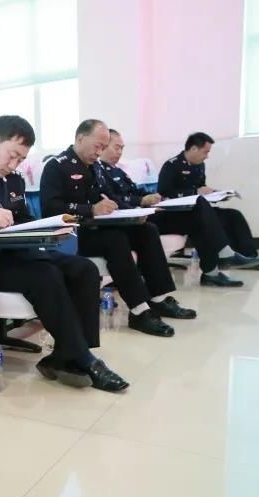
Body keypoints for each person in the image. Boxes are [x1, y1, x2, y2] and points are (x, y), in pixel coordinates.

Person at [0, 115, 129, 393]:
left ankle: (69, 355)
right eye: (12, 155)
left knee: (84, 269)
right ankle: (83, 359)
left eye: (20, 159)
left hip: (19, 252)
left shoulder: (14, 180)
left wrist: (47, 227)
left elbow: (23, 219)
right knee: (45, 275)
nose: (14, 165)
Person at [41, 119, 197, 337]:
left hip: (100, 227)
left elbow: (112, 196)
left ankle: (159, 298)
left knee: (147, 230)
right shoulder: (56, 166)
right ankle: (139, 310)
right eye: (97, 146)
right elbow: (50, 207)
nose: (99, 152)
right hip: (74, 235)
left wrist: (134, 213)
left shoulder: (96, 167)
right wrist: (90, 209)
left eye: (103, 147)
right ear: (80, 138)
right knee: (115, 240)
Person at [99, 129, 259, 287]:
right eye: (116, 147)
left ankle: (212, 272)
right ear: (104, 145)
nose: (120, 152)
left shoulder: (117, 171)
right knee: (198, 209)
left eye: (122, 148)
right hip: (134, 218)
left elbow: (135, 191)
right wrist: (142, 200)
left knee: (199, 216)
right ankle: (223, 257)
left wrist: (152, 196)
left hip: (147, 211)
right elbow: (114, 199)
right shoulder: (99, 172)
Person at [157, 132, 259, 270]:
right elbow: (164, 193)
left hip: (199, 207)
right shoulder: (171, 165)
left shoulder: (200, 165)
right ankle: (225, 257)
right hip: (180, 212)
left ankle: (250, 257)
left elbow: (201, 187)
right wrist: (195, 192)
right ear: (193, 148)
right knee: (213, 219)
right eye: (205, 152)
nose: (207, 156)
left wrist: (216, 194)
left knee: (234, 215)